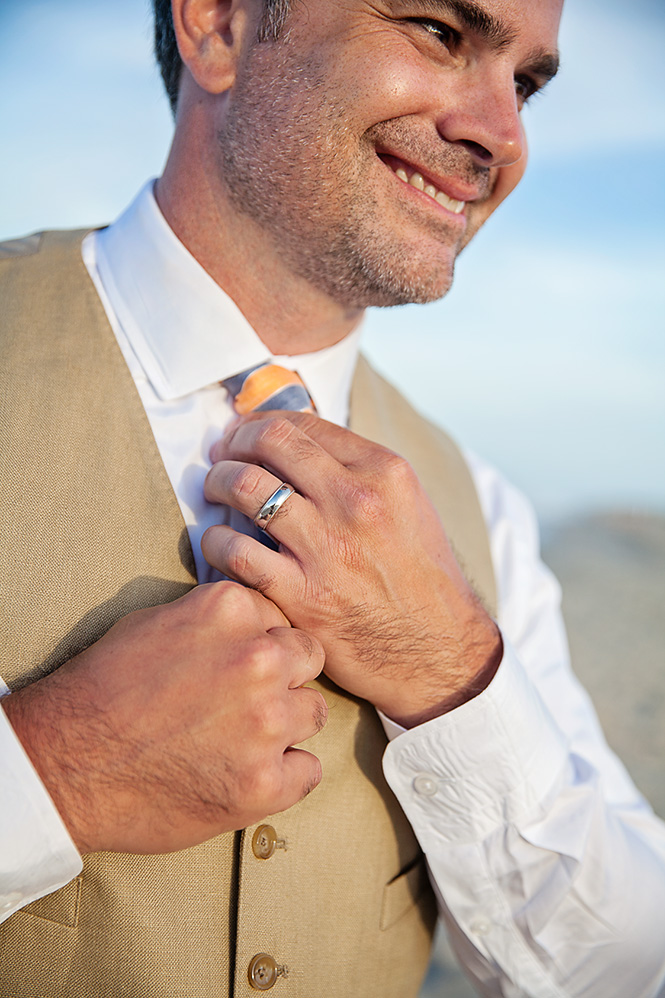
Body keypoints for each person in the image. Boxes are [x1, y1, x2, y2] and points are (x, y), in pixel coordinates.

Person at [1, 0, 664, 995]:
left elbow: (619, 963)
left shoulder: (481, 510)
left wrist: (445, 668)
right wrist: (54, 770)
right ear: (218, 25)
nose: (502, 133)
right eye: (441, 32)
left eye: (524, 81)